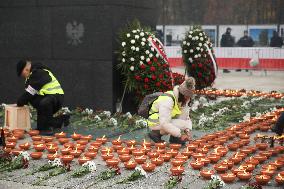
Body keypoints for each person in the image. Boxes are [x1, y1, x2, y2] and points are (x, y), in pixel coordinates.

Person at [16, 59, 69, 135]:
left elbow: (30, 93)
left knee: (44, 103)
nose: (22, 76)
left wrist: (19, 102)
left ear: (26, 69)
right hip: (47, 97)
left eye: (22, 73)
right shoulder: (31, 76)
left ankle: (47, 129)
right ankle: (58, 121)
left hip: (56, 97)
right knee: (36, 102)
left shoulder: (39, 72)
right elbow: (30, 94)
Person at [147, 77, 195, 145]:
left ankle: (174, 139)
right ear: (183, 95)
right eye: (188, 96)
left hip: (165, 120)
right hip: (155, 121)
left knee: (184, 123)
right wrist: (180, 135)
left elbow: (185, 117)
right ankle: (155, 134)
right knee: (180, 124)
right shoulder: (168, 100)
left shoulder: (182, 100)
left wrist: (187, 131)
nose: (189, 99)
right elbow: (164, 123)